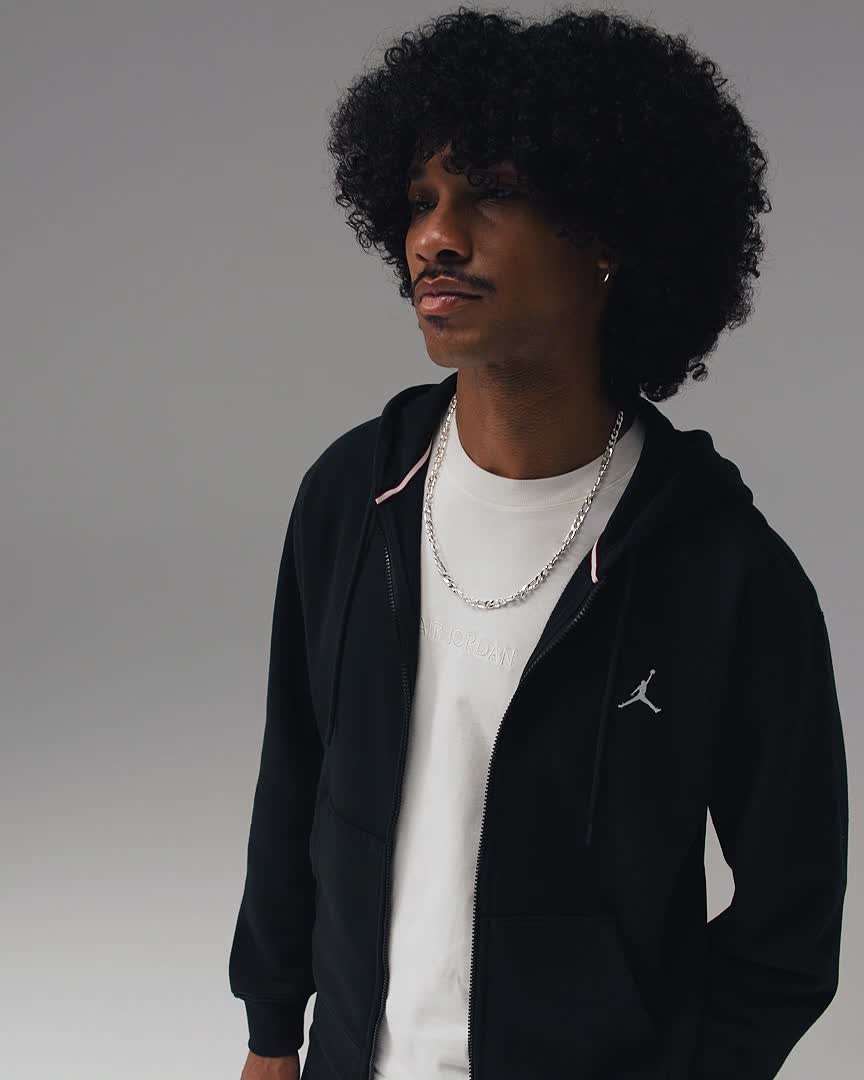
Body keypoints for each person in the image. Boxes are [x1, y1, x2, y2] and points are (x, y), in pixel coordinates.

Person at [229, 7, 849, 1079]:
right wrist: (272, 1031)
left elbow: (791, 921)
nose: (435, 237)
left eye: (493, 193)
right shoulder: (353, 497)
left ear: (607, 236)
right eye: (420, 201)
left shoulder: (728, 575)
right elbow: (294, 779)